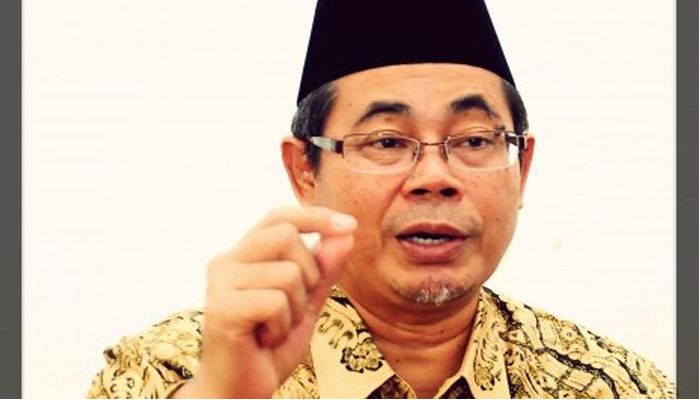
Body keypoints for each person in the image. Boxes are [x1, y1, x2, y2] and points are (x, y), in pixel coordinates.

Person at [87, 1, 675, 398]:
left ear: (521, 168)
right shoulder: (171, 372)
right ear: (305, 171)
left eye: (474, 140)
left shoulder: (614, 385)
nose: (434, 177)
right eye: (388, 141)